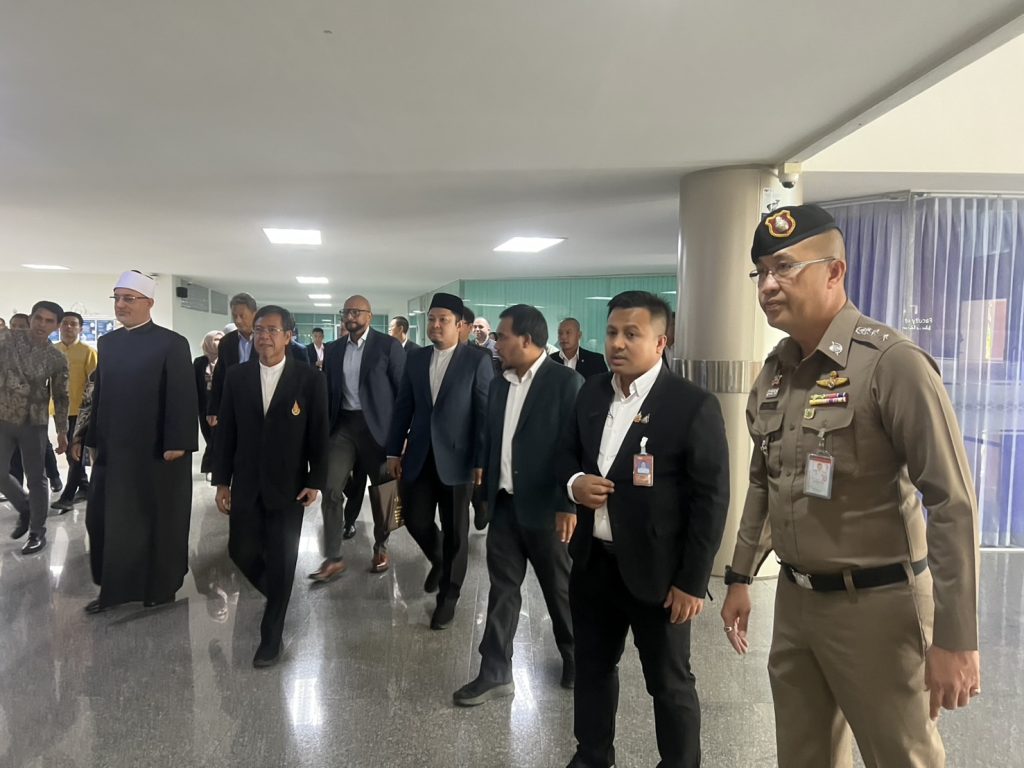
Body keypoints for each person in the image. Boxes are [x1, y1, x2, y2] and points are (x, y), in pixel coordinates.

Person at [719, 204, 981, 767]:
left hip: (878, 607)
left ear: (834, 272)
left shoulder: (891, 364)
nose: (767, 285)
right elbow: (765, 482)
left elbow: (951, 502)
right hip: (796, 603)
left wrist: (956, 637)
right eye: (761, 271)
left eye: (785, 268)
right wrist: (740, 575)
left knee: (902, 757)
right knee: (803, 756)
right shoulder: (776, 372)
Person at [558, 290, 730, 768]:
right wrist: (574, 484)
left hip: (660, 575)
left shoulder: (691, 404)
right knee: (593, 668)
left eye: (631, 334)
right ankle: (592, 755)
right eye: (612, 332)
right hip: (594, 564)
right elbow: (565, 452)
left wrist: (692, 581)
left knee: (669, 682)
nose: (617, 343)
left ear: (660, 342)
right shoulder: (592, 391)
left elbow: (711, 500)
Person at [453, 304, 581, 707]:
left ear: (526, 340)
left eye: (502, 336)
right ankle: (495, 671)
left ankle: (576, 657)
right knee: (502, 590)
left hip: (547, 509)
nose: (496, 343)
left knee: (559, 590)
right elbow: (491, 438)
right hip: (505, 506)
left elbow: (576, 448)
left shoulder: (565, 383)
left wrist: (567, 504)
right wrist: (485, 487)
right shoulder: (500, 383)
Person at [213, 305, 328, 667]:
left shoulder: (309, 379)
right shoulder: (237, 376)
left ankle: (271, 636)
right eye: (260, 330)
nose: (264, 336)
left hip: (288, 484)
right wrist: (221, 481)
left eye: (273, 330)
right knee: (240, 550)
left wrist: (316, 480)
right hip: (246, 480)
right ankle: (278, 590)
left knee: (282, 557)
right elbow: (226, 432)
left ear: (288, 336)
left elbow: (319, 433)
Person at [81, 270, 198, 613]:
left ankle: (159, 588)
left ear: (149, 303)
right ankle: (113, 589)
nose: (121, 304)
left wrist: (178, 441)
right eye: (117, 298)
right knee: (105, 521)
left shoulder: (171, 343)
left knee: (156, 522)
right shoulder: (108, 343)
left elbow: (182, 395)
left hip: (156, 452)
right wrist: (90, 438)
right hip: (114, 451)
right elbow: (100, 394)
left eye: (129, 298)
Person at [386, 293, 493, 630]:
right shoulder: (417, 359)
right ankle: (441, 560)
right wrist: (393, 450)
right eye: (431, 319)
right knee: (414, 519)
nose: (435, 325)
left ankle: (449, 597)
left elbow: (484, 414)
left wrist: (481, 459)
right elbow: (404, 405)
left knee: (456, 532)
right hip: (419, 455)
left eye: (443, 320)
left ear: (459, 325)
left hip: (459, 459)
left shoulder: (476, 360)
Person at [309, 295, 405, 580]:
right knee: (330, 487)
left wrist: (402, 435)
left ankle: (381, 547)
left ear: (369, 316)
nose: (350, 316)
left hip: (379, 429)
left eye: (356, 312)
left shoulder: (387, 346)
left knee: (385, 491)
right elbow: (329, 390)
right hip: (343, 427)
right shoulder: (334, 348)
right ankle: (333, 558)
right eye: (346, 312)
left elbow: (402, 393)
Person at [0, 301, 70, 555]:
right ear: (30, 318)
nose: (42, 324)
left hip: (35, 422)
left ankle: (37, 532)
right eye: (39, 318)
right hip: (3, 416)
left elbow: (61, 396)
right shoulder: (7, 340)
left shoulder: (56, 358)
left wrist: (62, 431)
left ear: (56, 326)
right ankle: (26, 507)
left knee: (36, 477)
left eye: (49, 321)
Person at [5, 313, 63, 494]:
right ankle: (17, 487)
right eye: (14, 325)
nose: (17, 329)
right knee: (14, 450)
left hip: (34, 409)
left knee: (42, 447)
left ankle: (53, 476)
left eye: (21, 326)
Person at [50, 311, 98, 512]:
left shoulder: (88, 352)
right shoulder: (52, 350)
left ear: (80, 328)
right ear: (59, 326)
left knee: (74, 452)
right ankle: (85, 487)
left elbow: (94, 384)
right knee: (70, 454)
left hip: (81, 411)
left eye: (73, 324)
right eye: (65, 323)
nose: (68, 327)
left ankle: (68, 496)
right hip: (59, 410)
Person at [207, 292, 258, 427]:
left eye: (242, 315)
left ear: (254, 314)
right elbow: (219, 376)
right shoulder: (226, 342)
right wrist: (213, 408)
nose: (238, 320)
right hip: (232, 404)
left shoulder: (264, 340)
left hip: (259, 404)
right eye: (235, 316)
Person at [193, 330, 223, 475]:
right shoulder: (200, 362)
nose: (218, 343)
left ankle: (210, 467)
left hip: (221, 405)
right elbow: (194, 383)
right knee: (209, 437)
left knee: (217, 438)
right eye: (215, 339)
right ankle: (211, 468)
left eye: (221, 340)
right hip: (204, 404)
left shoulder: (226, 360)